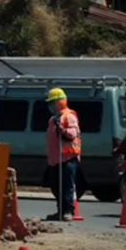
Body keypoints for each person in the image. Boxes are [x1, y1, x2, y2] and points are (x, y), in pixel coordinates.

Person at [45, 88, 82, 222]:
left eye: (52, 102)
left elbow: (72, 134)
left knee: (67, 187)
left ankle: (68, 211)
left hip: (68, 158)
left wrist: (62, 129)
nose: (50, 106)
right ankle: (60, 211)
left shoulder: (68, 116)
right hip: (55, 159)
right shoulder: (53, 119)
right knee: (56, 186)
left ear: (59, 102)